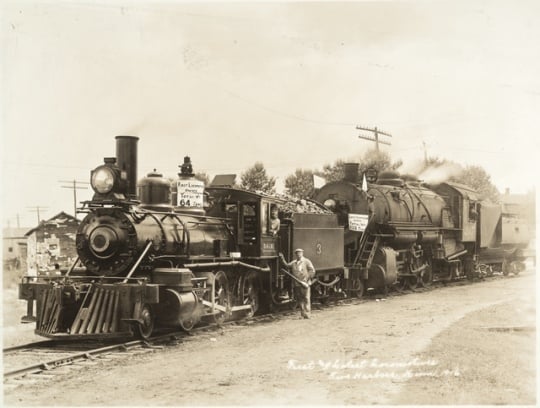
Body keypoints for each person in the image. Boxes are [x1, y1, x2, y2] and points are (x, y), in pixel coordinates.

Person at [280, 249, 316, 319]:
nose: (298, 254)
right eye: (297, 253)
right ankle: (302, 314)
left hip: (305, 283)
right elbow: (287, 266)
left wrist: (307, 278)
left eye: (299, 253)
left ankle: (308, 314)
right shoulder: (294, 262)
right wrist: (282, 258)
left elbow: (312, 270)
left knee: (306, 298)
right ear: (295, 255)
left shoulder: (306, 261)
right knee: (300, 299)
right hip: (297, 284)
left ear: (302, 253)